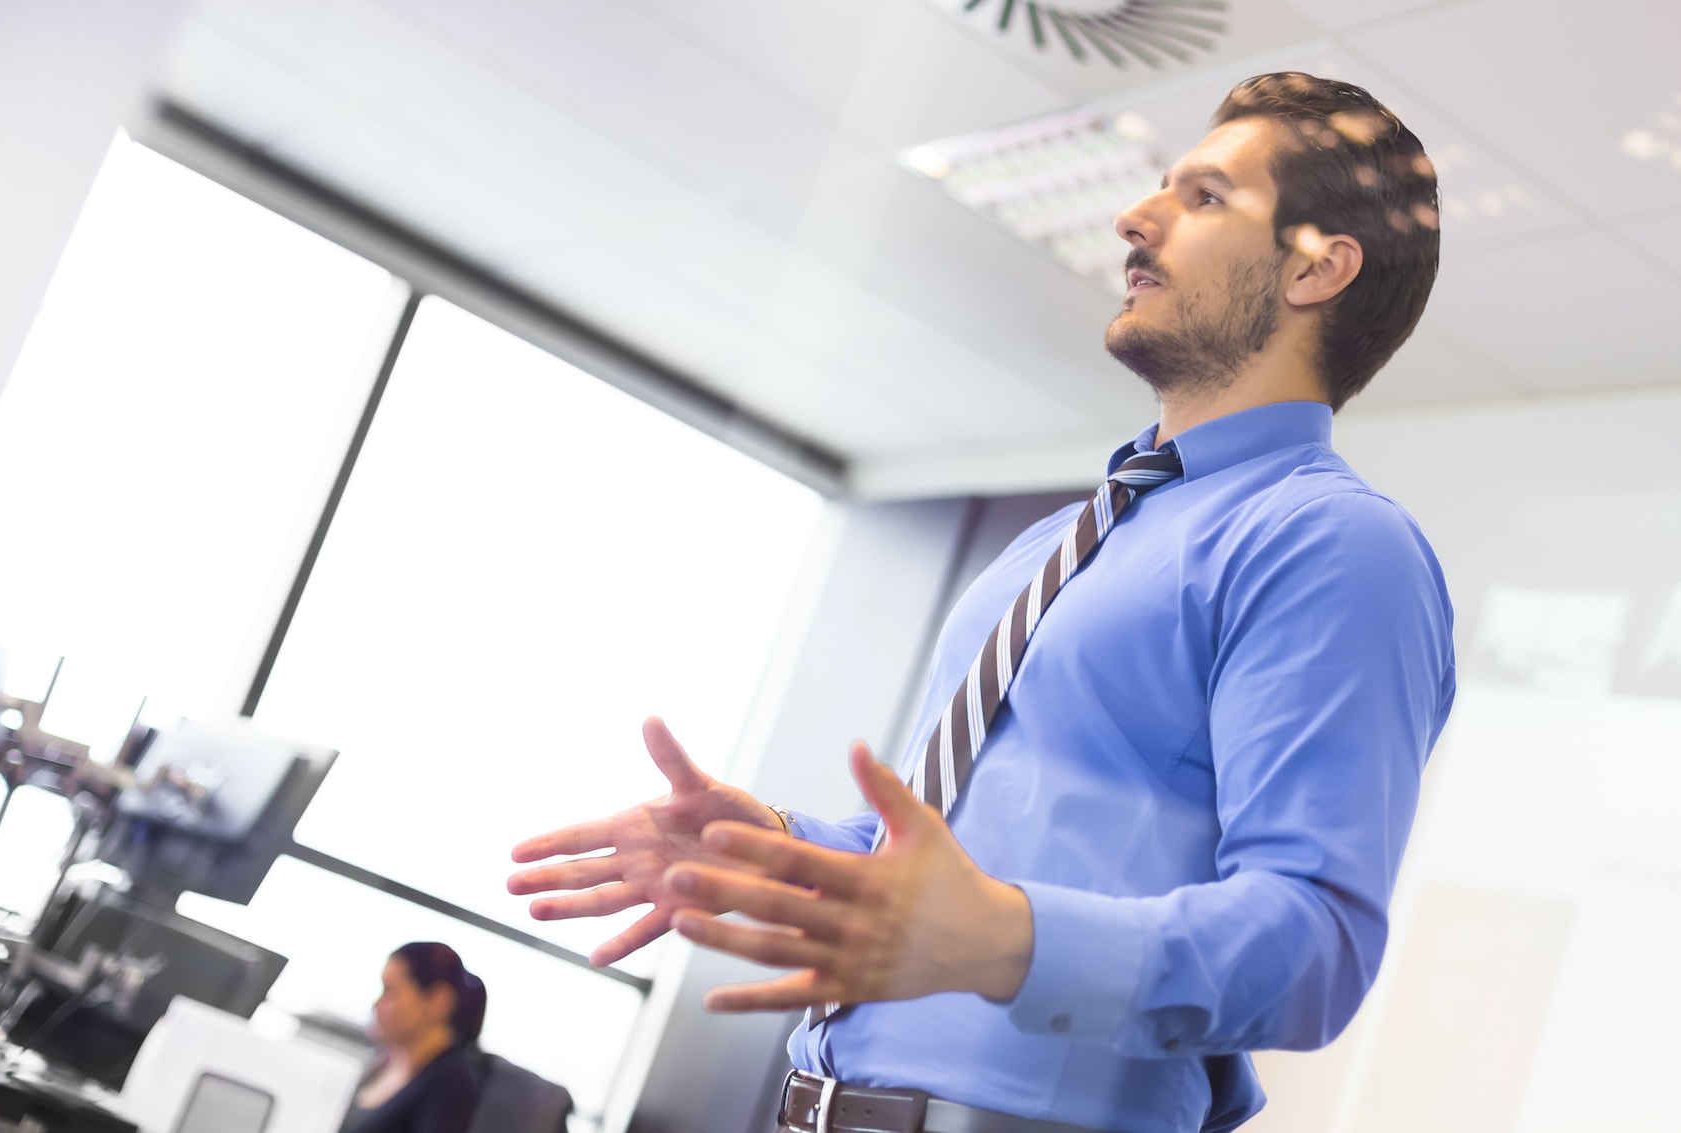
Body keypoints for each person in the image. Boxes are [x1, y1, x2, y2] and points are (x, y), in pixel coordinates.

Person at [508, 72, 1455, 1133]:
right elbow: (930, 868)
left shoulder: (1327, 543)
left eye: (1201, 199)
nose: (1132, 217)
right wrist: (777, 846)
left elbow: (1313, 944)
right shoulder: (1052, 547)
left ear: (1314, 267)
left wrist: (1011, 938)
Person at [340, 942, 487, 1133]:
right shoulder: (383, 1062)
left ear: (438, 1000)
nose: (377, 1003)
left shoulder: (451, 1084)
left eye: (390, 991)